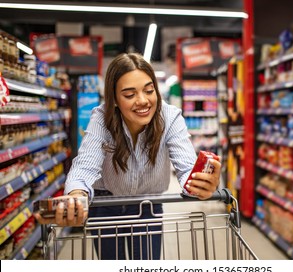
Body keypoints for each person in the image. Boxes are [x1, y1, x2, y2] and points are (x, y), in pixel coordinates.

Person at [34, 52, 221, 260]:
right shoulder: (102, 118)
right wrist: (77, 195)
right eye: (129, 95)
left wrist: (199, 183)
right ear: (114, 99)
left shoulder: (170, 117)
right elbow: (85, 166)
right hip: (105, 206)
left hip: (147, 206)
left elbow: (187, 167)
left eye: (149, 91)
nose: (143, 101)